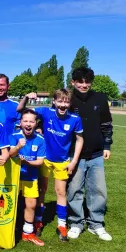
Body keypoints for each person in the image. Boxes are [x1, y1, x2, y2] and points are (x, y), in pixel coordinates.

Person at [17, 89, 84, 241]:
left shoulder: (75, 119)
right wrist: (26, 97)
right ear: (54, 101)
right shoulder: (46, 112)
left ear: (70, 103)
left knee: (61, 192)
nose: (63, 105)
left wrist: (73, 161)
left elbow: (80, 140)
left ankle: (61, 224)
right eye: (60, 101)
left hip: (62, 161)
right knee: (42, 190)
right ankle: (38, 221)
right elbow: (21, 109)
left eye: (66, 102)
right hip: (45, 159)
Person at [67, 67, 113, 241]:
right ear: (73, 82)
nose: (84, 85)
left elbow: (106, 124)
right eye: (80, 81)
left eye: (87, 81)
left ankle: (96, 223)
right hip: (74, 154)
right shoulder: (67, 99)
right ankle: (76, 223)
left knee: (98, 190)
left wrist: (107, 145)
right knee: (74, 189)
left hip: (96, 153)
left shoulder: (100, 99)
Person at [9, 109, 47, 246]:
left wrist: (26, 162)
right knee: (11, 203)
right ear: (21, 123)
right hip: (14, 177)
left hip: (31, 178)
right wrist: (18, 146)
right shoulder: (14, 135)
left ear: (36, 123)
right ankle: (8, 229)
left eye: (32, 121)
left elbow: (40, 162)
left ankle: (28, 232)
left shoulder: (40, 140)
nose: (28, 124)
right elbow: (10, 154)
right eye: (25, 121)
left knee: (31, 204)